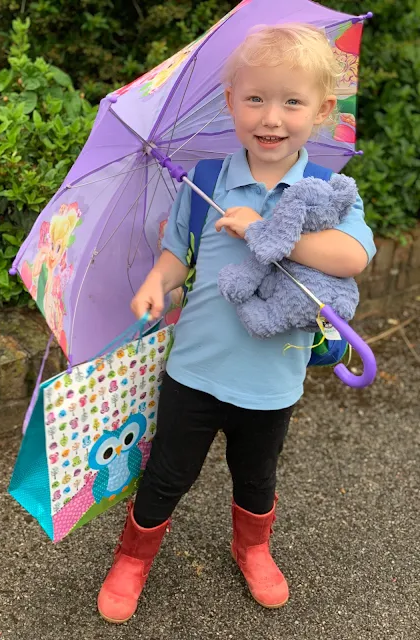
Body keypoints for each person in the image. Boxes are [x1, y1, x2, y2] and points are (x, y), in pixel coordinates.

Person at [97, 23, 376, 624]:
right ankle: (132, 557)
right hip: (194, 369)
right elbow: (177, 253)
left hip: (271, 379)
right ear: (231, 103)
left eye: (291, 101)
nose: (270, 117)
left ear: (323, 110)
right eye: (255, 98)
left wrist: (263, 230)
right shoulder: (203, 183)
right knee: (167, 472)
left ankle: (252, 546)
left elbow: (353, 258)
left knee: (256, 476)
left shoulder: (328, 192)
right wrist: (157, 281)